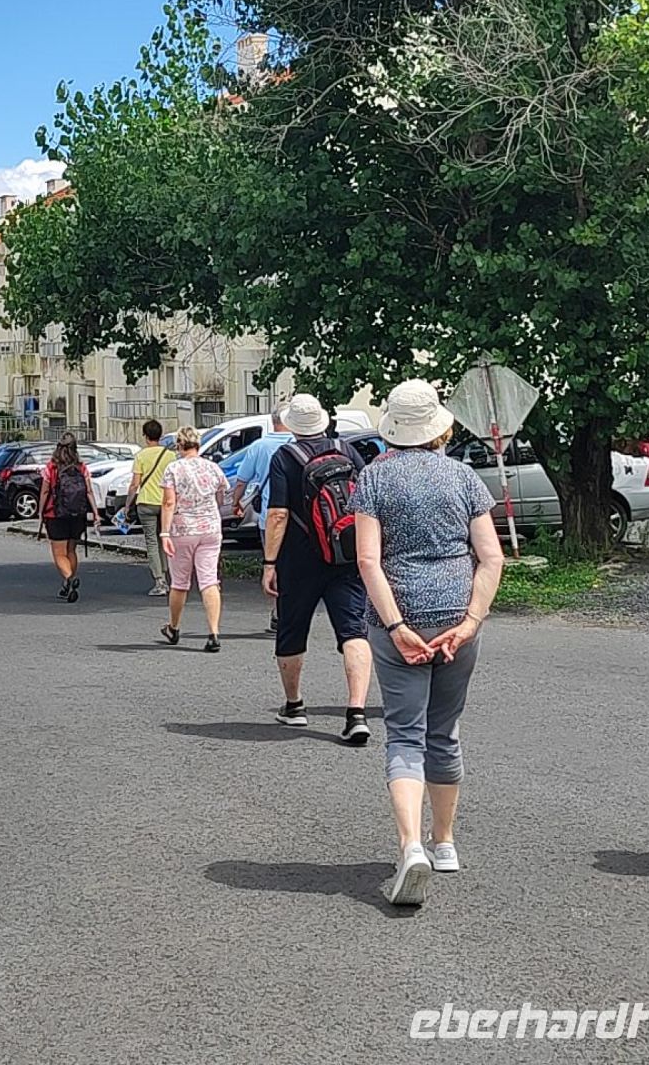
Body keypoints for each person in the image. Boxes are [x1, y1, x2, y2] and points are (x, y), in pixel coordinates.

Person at [354, 379, 504, 907]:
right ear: (438, 428)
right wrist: (469, 622)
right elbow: (492, 558)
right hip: (456, 615)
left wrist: (395, 626)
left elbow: (368, 561)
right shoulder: (464, 477)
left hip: (400, 618)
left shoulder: (372, 479)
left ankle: (410, 844)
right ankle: (444, 842)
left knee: (404, 735)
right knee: (444, 731)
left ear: (393, 429)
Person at [262, 393, 373, 744]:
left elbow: (278, 514)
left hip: (299, 558)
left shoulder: (285, 457)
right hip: (346, 554)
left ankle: (294, 706)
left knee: (292, 630)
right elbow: (367, 499)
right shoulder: (346, 449)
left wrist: (269, 563)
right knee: (353, 631)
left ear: (293, 427)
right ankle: (356, 712)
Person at [158, 426, 229, 652]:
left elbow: (169, 503)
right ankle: (214, 632)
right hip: (210, 528)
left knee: (179, 583)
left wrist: (164, 532)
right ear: (198, 444)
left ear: (179, 445)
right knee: (209, 580)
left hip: (183, 529)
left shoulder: (173, 469)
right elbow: (221, 495)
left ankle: (174, 627)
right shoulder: (213, 468)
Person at [230, 410, 291, 630]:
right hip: (301, 519)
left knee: (273, 563)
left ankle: (278, 611)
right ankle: (294, 610)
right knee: (296, 566)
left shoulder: (259, 446)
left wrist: (237, 503)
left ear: (273, 422)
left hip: (270, 517)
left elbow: (242, 480)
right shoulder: (299, 444)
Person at [38, 432, 99, 603]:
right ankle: (68, 582)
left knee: (59, 553)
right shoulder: (81, 467)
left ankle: (70, 578)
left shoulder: (51, 467)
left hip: (55, 514)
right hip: (77, 514)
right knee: (71, 550)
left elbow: (44, 492)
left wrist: (41, 512)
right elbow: (88, 491)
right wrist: (95, 513)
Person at [123, 419, 176, 596]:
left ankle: (159, 580)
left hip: (146, 503)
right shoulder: (170, 456)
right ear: (160, 435)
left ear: (145, 436)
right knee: (165, 539)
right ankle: (168, 576)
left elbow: (134, 484)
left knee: (152, 542)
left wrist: (127, 504)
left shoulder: (141, 456)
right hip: (166, 503)